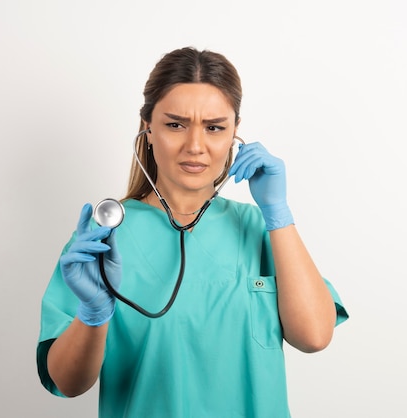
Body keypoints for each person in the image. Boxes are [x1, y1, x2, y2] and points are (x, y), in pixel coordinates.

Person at [37, 46, 349, 417]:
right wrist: (92, 314)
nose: (196, 146)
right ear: (147, 130)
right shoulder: (104, 235)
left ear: (235, 134)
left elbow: (314, 336)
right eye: (175, 125)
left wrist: (277, 213)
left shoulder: (259, 228)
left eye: (215, 128)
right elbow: (67, 383)